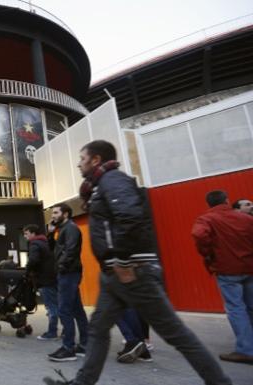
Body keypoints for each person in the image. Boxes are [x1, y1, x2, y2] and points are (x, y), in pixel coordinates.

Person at [44, 140, 232, 385]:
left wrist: (122, 261)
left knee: (176, 335)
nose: (78, 163)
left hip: (133, 272)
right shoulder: (100, 186)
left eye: (82, 158)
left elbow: (130, 218)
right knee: (98, 330)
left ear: (96, 159)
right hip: (114, 275)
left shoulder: (114, 181)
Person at [192, 190, 253, 365]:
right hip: (249, 267)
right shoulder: (246, 218)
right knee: (251, 306)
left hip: (227, 270)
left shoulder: (207, 219)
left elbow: (198, 235)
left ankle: (246, 350)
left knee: (236, 308)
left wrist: (208, 253)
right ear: (227, 200)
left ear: (209, 204)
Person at [46, 203, 89, 362]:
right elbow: (53, 250)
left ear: (66, 214)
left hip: (69, 273)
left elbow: (71, 250)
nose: (52, 216)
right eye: (52, 213)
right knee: (77, 310)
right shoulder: (62, 229)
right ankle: (85, 345)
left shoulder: (71, 228)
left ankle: (68, 348)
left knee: (64, 309)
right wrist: (50, 234)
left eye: (56, 213)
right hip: (67, 272)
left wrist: (62, 267)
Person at [23, 224, 58, 342]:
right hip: (53, 277)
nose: (24, 236)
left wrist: (27, 271)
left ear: (33, 233)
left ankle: (52, 332)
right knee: (57, 305)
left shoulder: (34, 244)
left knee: (51, 307)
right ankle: (64, 331)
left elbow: (33, 260)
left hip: (44, 279)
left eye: (26, 233)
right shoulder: (45, 242)